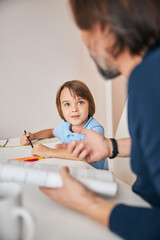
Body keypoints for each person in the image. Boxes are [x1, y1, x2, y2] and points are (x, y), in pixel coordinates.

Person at [40, 0, 160, 239]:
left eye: (82, 29)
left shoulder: (148, 80)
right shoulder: (149, 73)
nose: (84, 42)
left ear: (102, 27)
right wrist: (111, 146)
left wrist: (88, 204)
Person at [20, 80, 108, 170]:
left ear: (89, 104)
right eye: (67, 104)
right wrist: (33, 136)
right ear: (60, 108)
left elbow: (88, 154)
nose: (74, 109)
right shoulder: (65, 126)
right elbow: (51, 132)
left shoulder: (95, 129)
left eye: (80, 102)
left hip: (95, 176)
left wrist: (50, 152)